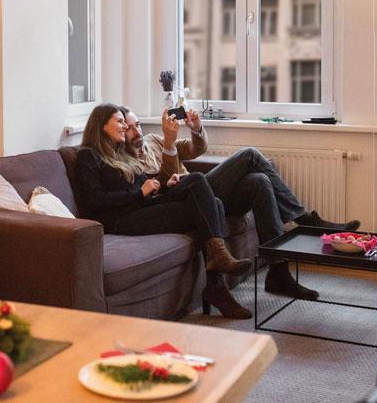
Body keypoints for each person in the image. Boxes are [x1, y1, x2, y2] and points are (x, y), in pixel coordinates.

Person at [121, 106, 362, 300]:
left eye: (137, 124)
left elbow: (196, 148)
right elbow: (164, 186)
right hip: (189, 200)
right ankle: (304, 219)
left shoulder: (153, 140)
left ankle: (279, 273)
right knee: (249, 154)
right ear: (120, 133)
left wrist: (196, 129)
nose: (136, 131)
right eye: (129, 128)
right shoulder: (126, 161)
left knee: (259, 182)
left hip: (207, 198)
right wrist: (170, 144)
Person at [74, 103, 253, 319]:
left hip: (142, 207)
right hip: (121, 221)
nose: (125, 127)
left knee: (206, 194)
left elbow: (140, 187)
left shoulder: (121, 152)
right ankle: (218, 281)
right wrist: (139, 193)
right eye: (120, 122)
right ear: (102, 126)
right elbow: (95, 201)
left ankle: (217, 278)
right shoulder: (88, 156)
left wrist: (163, 185)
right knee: (206, 199)